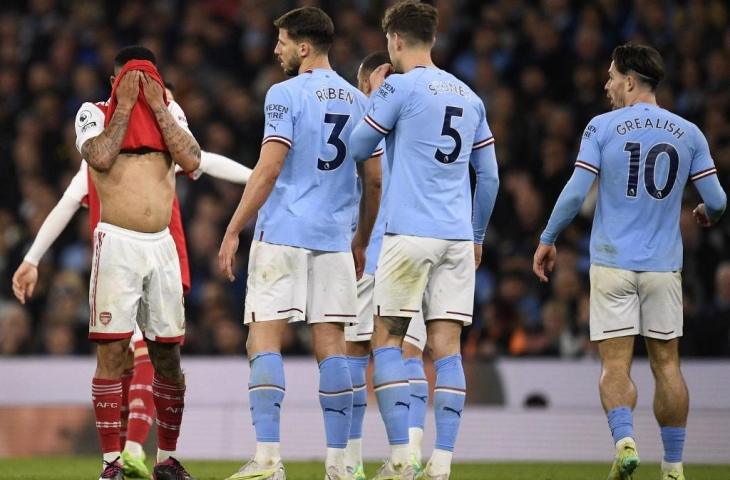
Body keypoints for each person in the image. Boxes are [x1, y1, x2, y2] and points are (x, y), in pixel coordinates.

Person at [11, 84, 251, 479]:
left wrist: (32, 259)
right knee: (132, 358)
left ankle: (131, 449)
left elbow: (204, 160)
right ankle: (132, 449)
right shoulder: (114, 155)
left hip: (154, 260)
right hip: (123, 261)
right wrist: (31, 259)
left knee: (139, 354)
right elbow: (206, 162)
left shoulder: (151, 150)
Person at [532, 43, 727, 480]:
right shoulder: (689, 132)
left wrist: (548, 238)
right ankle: (674, 467)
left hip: (612, 263)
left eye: (611, 77)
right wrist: (706, 214)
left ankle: (625, 443)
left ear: (631, 81)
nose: (606, 85)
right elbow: (717, 199)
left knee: (615, 366)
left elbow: (575, 192)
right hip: (663, 267)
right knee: (667, 366)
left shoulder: (602, 128)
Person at [217, 7, 382, 480]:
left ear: (304, 47)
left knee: (263, 337)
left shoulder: (283, 94)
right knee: (333, 346)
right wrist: (361, 239)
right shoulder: (359, 101)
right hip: (334, 239)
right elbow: (374, 181)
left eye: (283, 41)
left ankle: (268, 460)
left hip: (284, 233)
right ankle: (340, 466)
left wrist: (233, 228)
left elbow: (268, 169)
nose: (277, 49)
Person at [349, 2, 500, 478]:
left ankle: (401, 458)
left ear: (394, 39)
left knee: (388, 342)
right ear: (431, 39)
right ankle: (442, 463)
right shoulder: (470, 96)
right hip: (457, 238)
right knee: (447, 349)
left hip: (409, 235)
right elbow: (489, 178)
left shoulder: (397, 86)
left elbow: (357, 146)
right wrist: (477, 236)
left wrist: (380, 112)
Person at [81, 45, 199, 480]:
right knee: (113, 351)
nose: (138, 85)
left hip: (162, 246)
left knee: (168, 356)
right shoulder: (93, 112)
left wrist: (157, 106)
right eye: (129, 79)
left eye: (146, 78)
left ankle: (166, 458)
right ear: (114, 82)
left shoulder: (171, 110)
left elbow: (191, 159)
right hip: (118, 244)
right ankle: (111, 463)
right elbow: (99, 156)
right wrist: (126, 106)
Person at [344, 50, 429, 480]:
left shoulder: (372, 120)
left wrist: (358, 241)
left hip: (375, 253)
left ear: (365, 85)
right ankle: (412, 454)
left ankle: (352, 461)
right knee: (409, 351)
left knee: (356, 353)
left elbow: (372, 181)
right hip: (419, 249)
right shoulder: (423, 120)